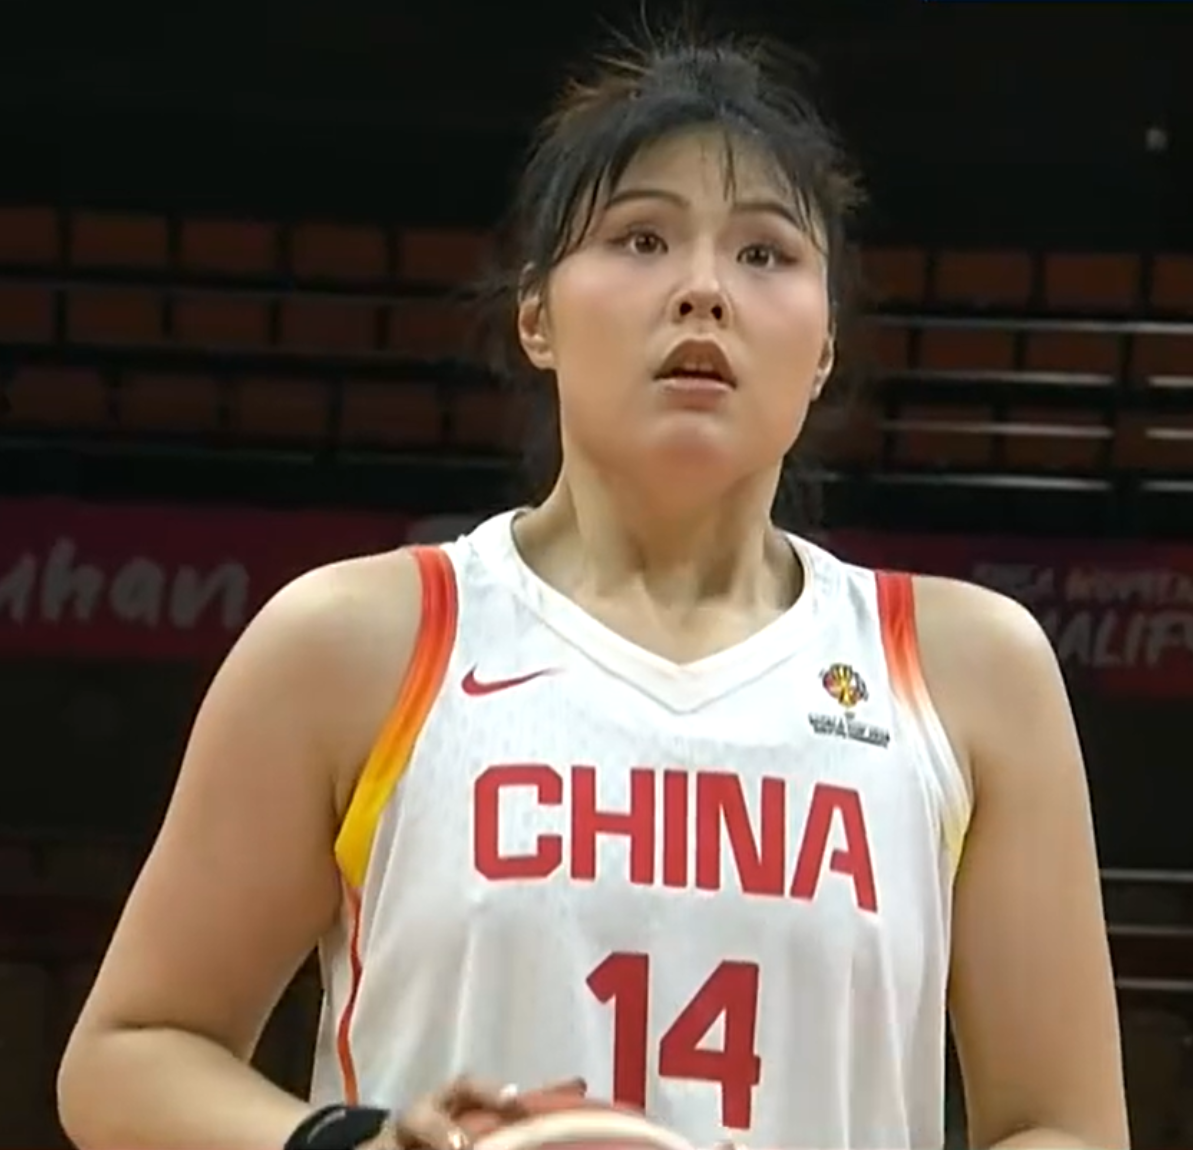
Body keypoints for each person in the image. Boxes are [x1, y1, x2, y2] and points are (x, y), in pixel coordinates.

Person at [55, 25, 1128, 1150]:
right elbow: (130, 1054)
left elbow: (1064, 1127)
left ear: (822, 349)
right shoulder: (358, 643)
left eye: (765, 253)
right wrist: (356, 1146)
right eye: (641, 238)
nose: (703, 290)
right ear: (537, 318)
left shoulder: (968, 672)